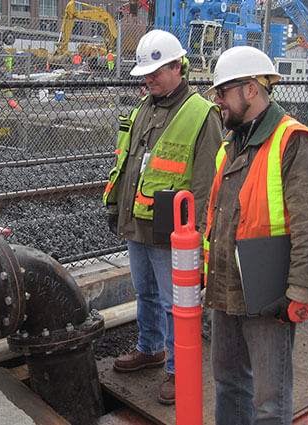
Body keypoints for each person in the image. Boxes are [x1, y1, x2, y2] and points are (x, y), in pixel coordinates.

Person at [201, 46, 308, 424]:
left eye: (223, 92)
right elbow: (221, 216)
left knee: (269, 400)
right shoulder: (232, 144)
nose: (218, 102)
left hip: (270, 295)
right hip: (227, 288)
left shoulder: (293, 142)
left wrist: (301, 292)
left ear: (251, 90)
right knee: (228, 382)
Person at [103, 29, 223, 405]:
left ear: (177, 67)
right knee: (147, 293)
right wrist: (115, 207)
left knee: (177, 304)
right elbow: (129, 164)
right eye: (146, 75)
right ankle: (150, 348)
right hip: (139, 221)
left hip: (174, 232)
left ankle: (178, 369)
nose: (150, 80)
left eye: (156, 73)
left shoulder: (201, 115)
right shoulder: (145, 108)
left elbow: (207, 184)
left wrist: (198, 237)